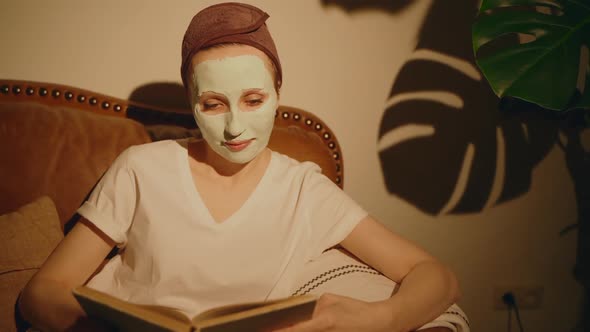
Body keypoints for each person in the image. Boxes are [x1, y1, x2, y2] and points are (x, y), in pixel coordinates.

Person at [18, 2, 460, 331]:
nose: (234, 127)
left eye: (253, 100)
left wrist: (384, 319)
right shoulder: (141, 169)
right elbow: (41, 293)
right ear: (192, 104)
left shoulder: (303, 188)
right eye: (213, 104)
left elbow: (432, 275)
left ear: (277, 96)